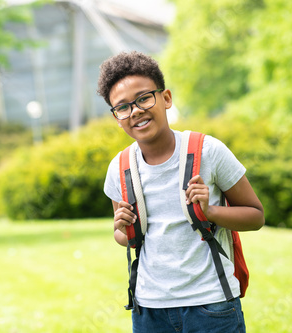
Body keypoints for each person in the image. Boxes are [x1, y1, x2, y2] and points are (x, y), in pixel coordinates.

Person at [98, 51, 264, 333]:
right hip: (149, 309)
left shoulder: (208, 151)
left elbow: (255, 216)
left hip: (212, 305)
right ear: (117, 117)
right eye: (122, 107)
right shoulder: (120, 168)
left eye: (143, 98)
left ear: (166, 98)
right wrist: (121, 229)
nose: (135, 110)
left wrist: (210, 211)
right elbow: (124, 237)